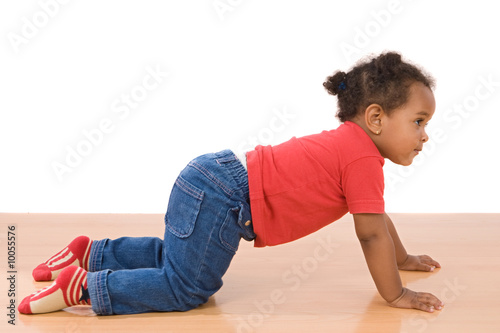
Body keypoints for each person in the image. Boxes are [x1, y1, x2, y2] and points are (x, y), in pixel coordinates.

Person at [19, 51, 444, 316]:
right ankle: (85, 287)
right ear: (375, 118)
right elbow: (370, 233)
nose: (425, 135)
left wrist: (402, 256)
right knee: (187, 288)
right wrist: (395, 294)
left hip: (211, 176)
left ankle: (89, 253)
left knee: (177, 258)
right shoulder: (363, 158)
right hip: (226, 197)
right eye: (419, 122)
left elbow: (377, 219)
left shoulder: (352, 149)